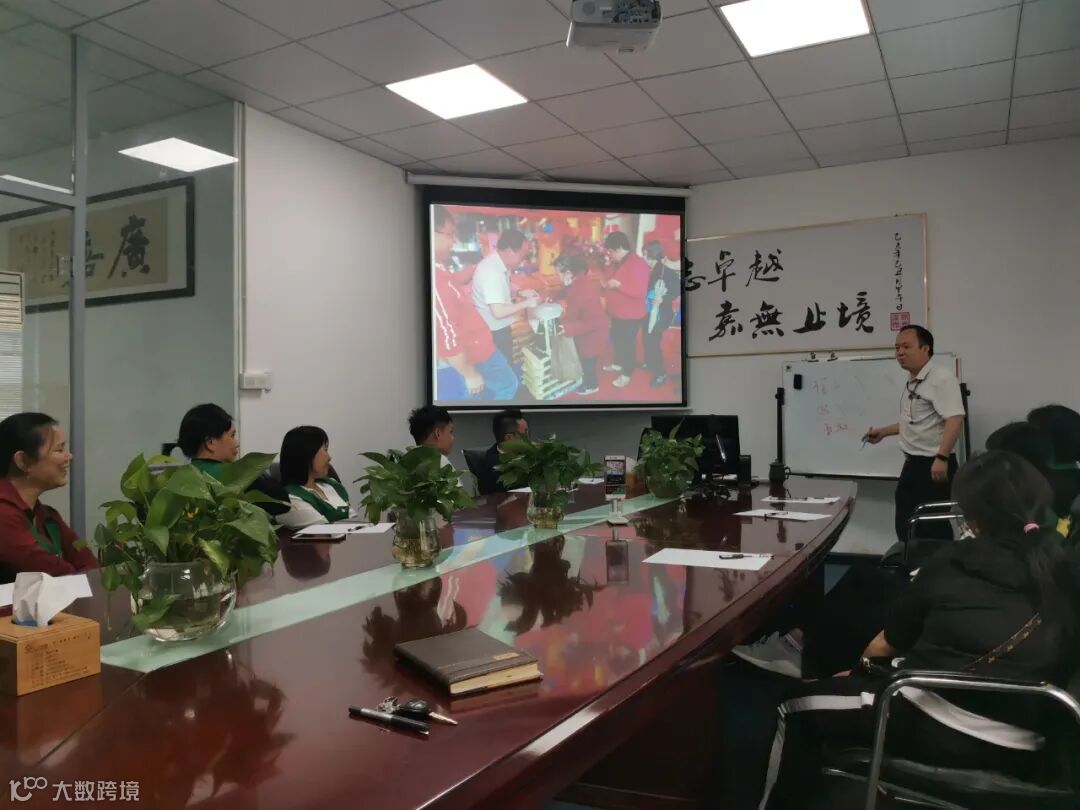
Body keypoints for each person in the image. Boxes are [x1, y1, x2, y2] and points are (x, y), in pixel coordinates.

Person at [758, 450, 1080, 808]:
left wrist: (858, 674)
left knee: (790, 704)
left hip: (946, 721)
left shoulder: (954, 563)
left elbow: (886, 645)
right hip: (1032, 739)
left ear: (973, 518)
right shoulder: (1062, 564)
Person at [864, 325, 965, 544]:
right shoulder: (914, 380)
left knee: (930, 530)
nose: (900, 352)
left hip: (933, 466)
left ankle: (936, 565)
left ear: (925, 349)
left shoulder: (940, 378)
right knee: (908, 526)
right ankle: (912, 564)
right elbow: (915, 422)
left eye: (906, 347)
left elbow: (955, 419)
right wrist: (884, 432)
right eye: (897, 348)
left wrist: (942, 457)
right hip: (914, 465)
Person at [432, 206, 519, 401]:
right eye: (449, 234)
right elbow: (447, 335)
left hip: (479, 344)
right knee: (507, 385)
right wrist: (470, 374)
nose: (453, 241)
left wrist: (476, 267)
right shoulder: (436, 280)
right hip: (476, 350)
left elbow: (453, 281)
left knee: (477, 392)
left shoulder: (440, 269)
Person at [0, 412, 97, 580]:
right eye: (59, 450)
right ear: (23, 461)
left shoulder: (47, 515)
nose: (69, 456)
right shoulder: (3, 515)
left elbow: (86, 561)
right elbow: (52, 571)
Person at [172, 403, 289, 516]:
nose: (236, 443)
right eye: (232, 435)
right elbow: (283, 504)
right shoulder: (240, 476)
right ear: (210, 443)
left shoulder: (175, 482)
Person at [470, 229, 537, 364]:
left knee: (505, 363)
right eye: (522, 255)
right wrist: (527, 303)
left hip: (494, 328)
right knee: (502, 366)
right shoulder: (492, 273)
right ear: (510, 251)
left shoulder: (496, 263)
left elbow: (500, 290)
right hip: (493, 332)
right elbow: (498, 312)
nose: (523, 260)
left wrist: (520, 293)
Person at [277, 426, 354, 530]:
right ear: (307, 453)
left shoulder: (331, 484)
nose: (329, 457)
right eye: (325, 450)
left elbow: (355, 521)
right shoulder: (291, 499)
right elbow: (323, 532)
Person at [601, 231, 650, 389]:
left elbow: (641, 291)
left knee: (628, 344)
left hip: (631, 315)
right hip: (618, 313)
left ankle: (626, 374)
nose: (609, 254)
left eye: (610, 251)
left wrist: (618, 285)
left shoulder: (638, 263)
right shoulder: (620, 262)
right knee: (618, 339)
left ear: (619, 248)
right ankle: (618, 364)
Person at [556, 254, 608, 396]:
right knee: (587, 359)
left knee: (588, 361)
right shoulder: (580, 281)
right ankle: (587, 380)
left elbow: (589, 321)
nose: (558, 277)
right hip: (591, 330)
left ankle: (592, 385)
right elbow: (565, 293)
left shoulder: (579, 289)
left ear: (568, 273)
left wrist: (566, 328)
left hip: (592, 332)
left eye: (558, 273)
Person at [642, 238, 679, 388]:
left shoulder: (665, 272)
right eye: (644, 254)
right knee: (647, 338)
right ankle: (650, 362)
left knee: (652, 342)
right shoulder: (648, 269)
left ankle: (660, 373)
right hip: (648, 309)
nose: (644, 257)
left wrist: (663, 298)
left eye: (646, 254)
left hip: (660, 312)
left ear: (654, 254)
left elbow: (676, 290)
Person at [473, 408, 529, 496]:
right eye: (525, 433)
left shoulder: (527, 455)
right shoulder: (490, 467)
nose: (528, 438)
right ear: (509, 438)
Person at [408, 405, 457, 469]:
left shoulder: (407, 462)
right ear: (438, 433)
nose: (453, 438)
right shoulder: (441, 463)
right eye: (451, 432)